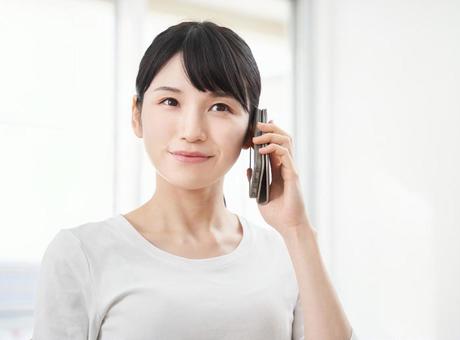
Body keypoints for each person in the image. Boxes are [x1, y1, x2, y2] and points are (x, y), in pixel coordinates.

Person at [32, 20, 356, 340]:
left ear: (252, 132)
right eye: (170, 102)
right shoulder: (82, 254)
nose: (191, 131)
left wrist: (297, 230)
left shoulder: (285, 255)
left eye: (219, 107)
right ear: (137, 114)